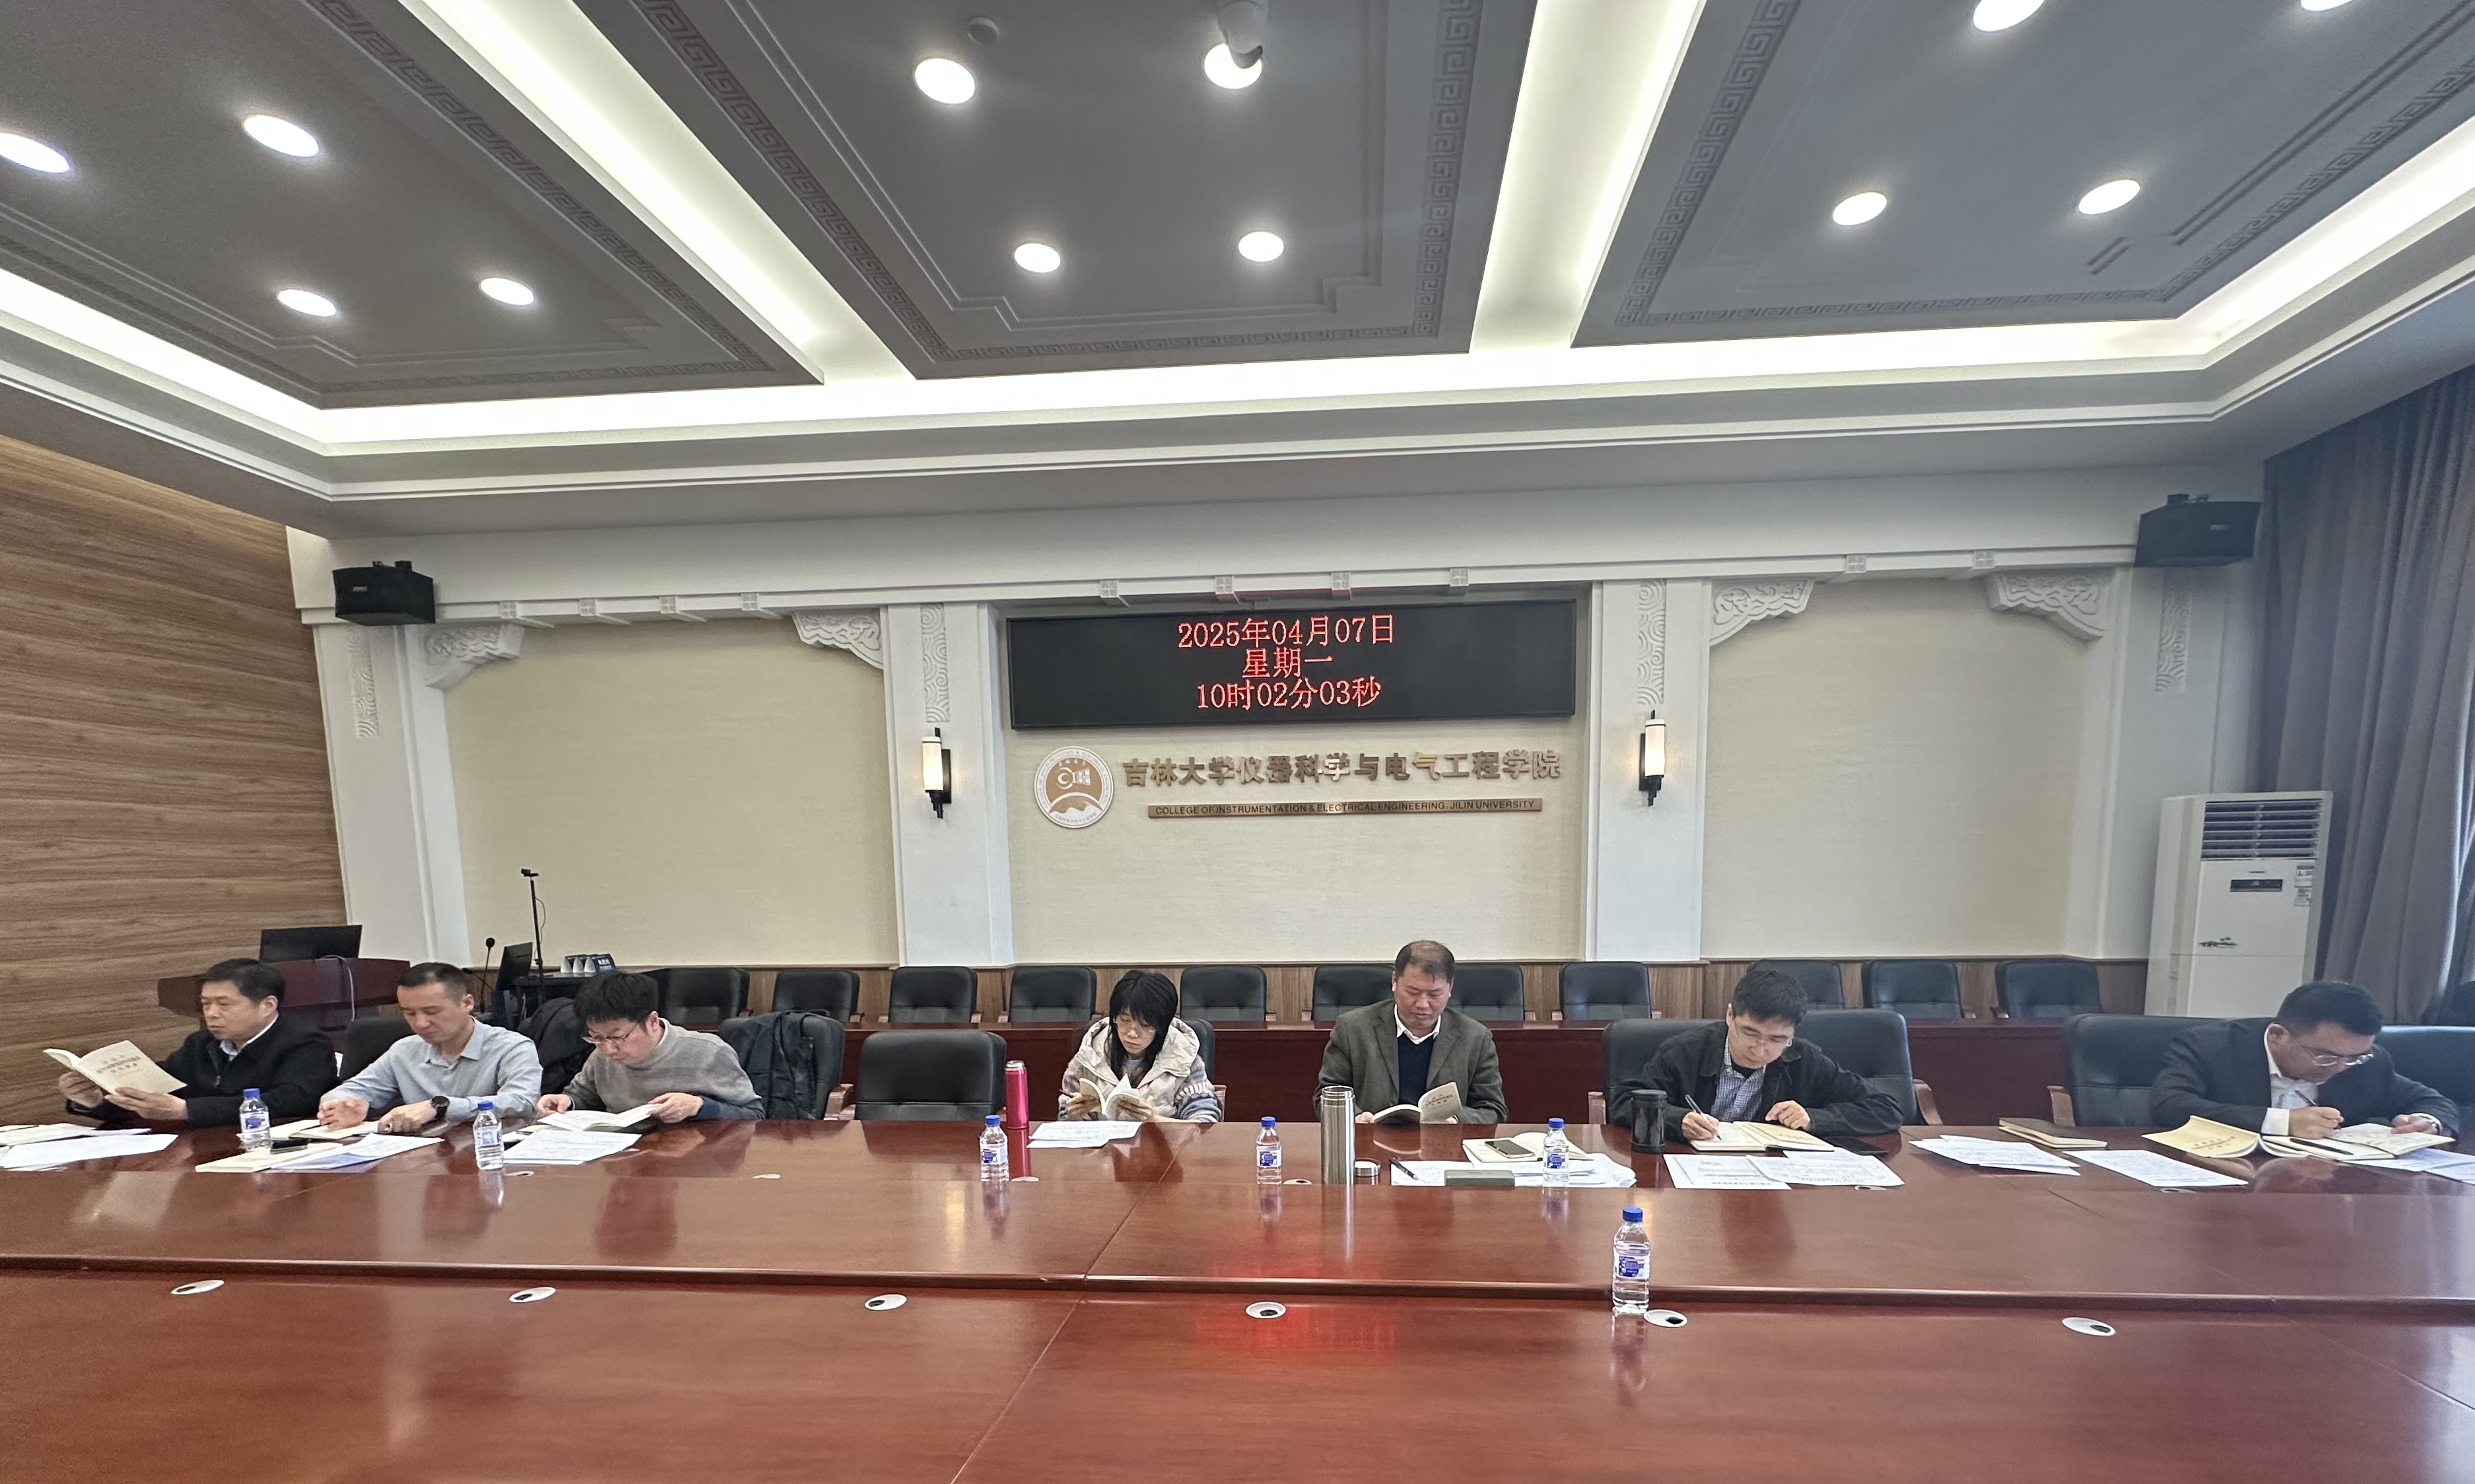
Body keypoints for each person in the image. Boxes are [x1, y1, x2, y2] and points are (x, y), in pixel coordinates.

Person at [1610, 967, 1901, 1140]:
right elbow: (1623, 1102)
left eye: (1777, 1039)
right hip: (1691, 1173)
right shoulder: (1684, 1053)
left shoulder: (1805, 1060)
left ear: (1793, 1034)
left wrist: (1815, 1119)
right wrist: (1677, 1120)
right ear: (1730, 1016)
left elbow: (1886, 1109)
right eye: (1750, 1033)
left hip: (1774, 1181)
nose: (1760, 1050)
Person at [2150, 980, 2458, 1137]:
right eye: (2325, 1056)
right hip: (2226, 1188)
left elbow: (2432, 1101)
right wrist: (2282, 1123)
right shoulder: (2210, 1046)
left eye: (2354, 1057)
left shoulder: (2368, 1062)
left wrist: (2427, 1123)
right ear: (2277, 1035)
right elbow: (2171, 1105)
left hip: (2329, 1192)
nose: (2341, 1068)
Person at [59, 958, 337, 1126]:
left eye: (224, 1004)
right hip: (202, 1152)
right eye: (206, 1004)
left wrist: (187, 1111)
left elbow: (293, 1102)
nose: (211, 1014)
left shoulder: (304, 1043)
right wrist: (96, 1101)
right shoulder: (200, 1045)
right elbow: (160, 1094)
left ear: (267, 1006)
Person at [319, 962, 542, 1132]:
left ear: (467, 1003)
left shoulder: (512, 1047)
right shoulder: (405, 1050)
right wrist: (343, 1105)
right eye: (409, 1013)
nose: (420, 1023)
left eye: (432, 1012)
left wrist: (441, 1107)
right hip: (422, 1158)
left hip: (490, 1152)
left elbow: (522, 1103)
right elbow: (345, 1092)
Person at [1316, 940, 1508, 1124]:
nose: (1423, 1004)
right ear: (1395, 981)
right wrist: (1356, 1118)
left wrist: (1455, 1120)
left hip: (1442, 1143)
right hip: (1370, 1141)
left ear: (1450, 987)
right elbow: (1326, 1096)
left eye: (1434, 994)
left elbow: (1493, 1110)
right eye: (1413, 992)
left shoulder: (1475, 1038)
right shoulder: (1353, 1029)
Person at [533, 971, 763, 1122]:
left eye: (618, 1037)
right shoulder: (601, 1054)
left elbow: (755, 1115)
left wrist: (700, 1107)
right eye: (596, 1038)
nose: (608, 1050)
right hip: (622, 1159)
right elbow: (583, 1095)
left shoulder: (708, 1052)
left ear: (652, 1022)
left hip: (691, 1160)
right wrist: (566, 1102)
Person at [1057, 970, 1220, 1122]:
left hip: (1163, 1144)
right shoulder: (1090, 1051)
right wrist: (1073, 1117)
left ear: (1162, 1025)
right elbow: (1065, 1117)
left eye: (1145, 1024)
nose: (1132, 1033)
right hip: (1104, 1144)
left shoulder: (1184, 1054)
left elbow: (1204, 1123)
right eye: (1125, 1020)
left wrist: (1155, 1120)